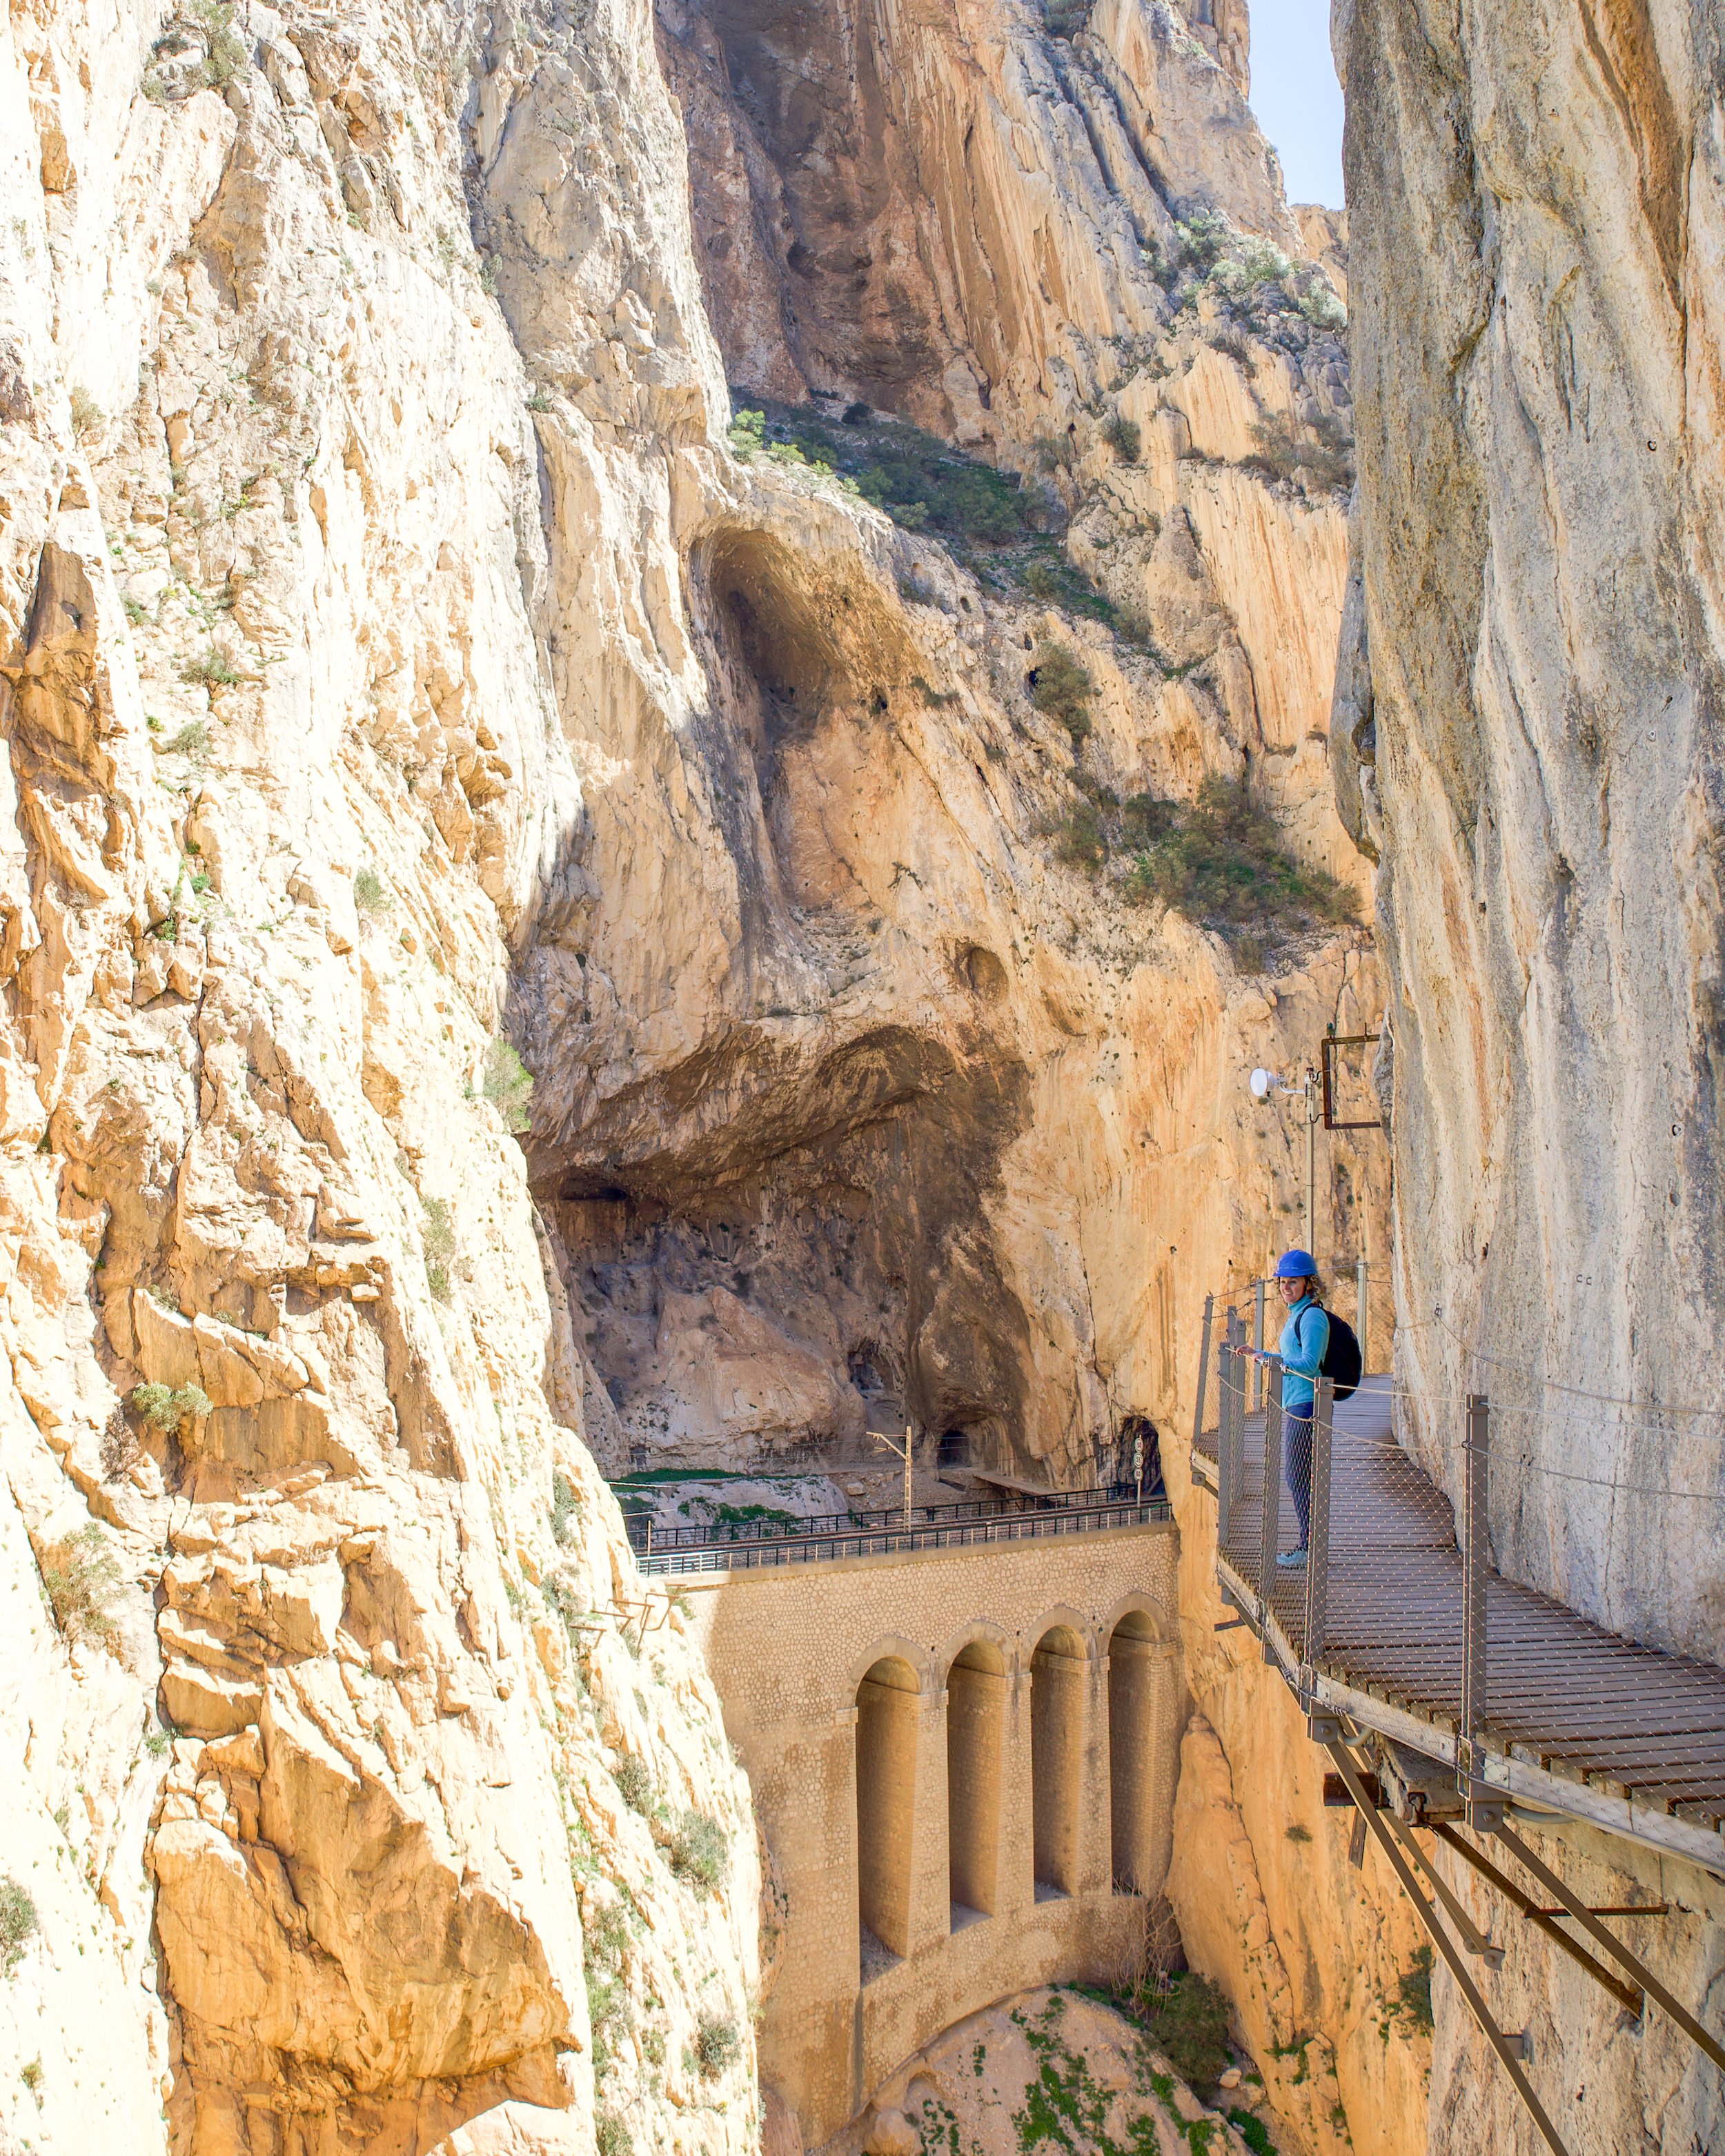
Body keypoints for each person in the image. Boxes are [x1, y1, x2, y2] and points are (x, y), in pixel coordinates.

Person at [1245, 1249, 1328, 1570]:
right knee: (1298, 1477)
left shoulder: (1312, 1317)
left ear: (1308, 1283)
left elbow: (1309, 1363)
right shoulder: (1297, 1314)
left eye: (1293, 1281)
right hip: (1296, 1403)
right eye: (1283, 1282)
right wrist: (1260, 1354)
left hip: (1307, 1404)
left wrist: (1273, 1361)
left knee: (1299, 1477)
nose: (1285, 1287)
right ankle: (1309, 1545)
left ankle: (1309, 1547)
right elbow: (1291, 1360)